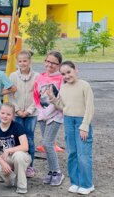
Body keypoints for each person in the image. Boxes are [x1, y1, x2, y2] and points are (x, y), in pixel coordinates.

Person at [48, 61, 95, 195]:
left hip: (81, 122)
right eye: (63, 74)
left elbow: (90, 107)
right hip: (68, 120)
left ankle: (87, 184)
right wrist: (52, 99)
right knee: (72, 153)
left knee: (83, 154)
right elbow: (63, 107)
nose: (67, 76)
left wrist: (84, 126)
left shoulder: (84, 85)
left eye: (69, 72)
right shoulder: (63, 87)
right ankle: (75, 182)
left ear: (76, 70)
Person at [33, 50, 64, 186]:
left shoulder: (61, 79)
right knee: (47, 144)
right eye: (48, 61)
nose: (50, 65)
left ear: (59, 65)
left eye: (53, 63)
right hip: (42, 115)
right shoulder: (40, 77)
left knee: (47, 143)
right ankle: (51, 172)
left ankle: (57, 172)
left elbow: (59, 98)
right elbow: (35, 95)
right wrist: (41, 111)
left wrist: (49, 112)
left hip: (55, 115)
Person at [8, 50, 39, 178]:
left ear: (30, 61)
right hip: (18, 113)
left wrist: (29, 111)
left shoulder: (37, 76)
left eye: (25, 61)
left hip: (31, 114)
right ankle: (16, 164)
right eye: (20, 61)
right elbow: (10, 95)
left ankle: (29, 166)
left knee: (30, 139)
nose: (22, 63)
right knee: (17, 139)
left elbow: (38, 96)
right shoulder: (13, 76)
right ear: (17, 62)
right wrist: (17, 110)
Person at [0, 103, 31, 194]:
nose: (5, 116)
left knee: (18, 155)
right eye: (3, 113)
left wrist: (8, 150)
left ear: (13, 117)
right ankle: (11, 180)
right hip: (6, 158)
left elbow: (25, 147)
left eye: (8, 114)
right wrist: (3, 163)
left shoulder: (17, 127)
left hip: (21, 156)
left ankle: (21, 186)